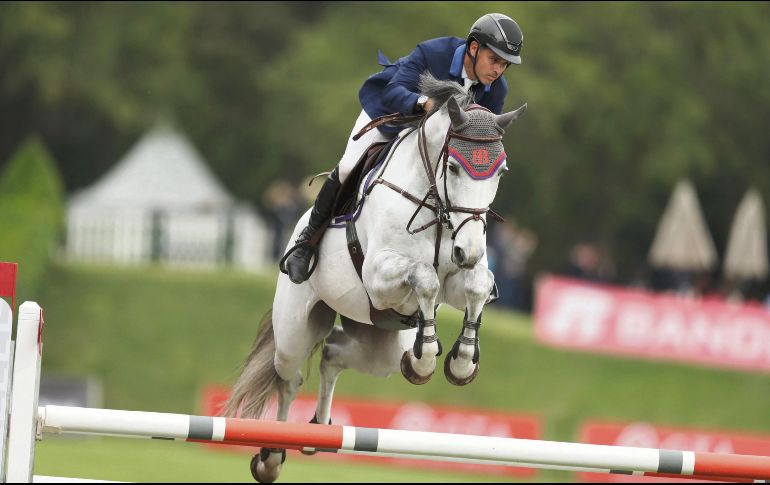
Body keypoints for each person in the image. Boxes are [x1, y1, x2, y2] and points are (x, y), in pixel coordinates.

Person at [283, 13, 525, 284]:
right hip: (392, 116)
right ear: (473, 48)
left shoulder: (496, 90)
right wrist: (425, 104)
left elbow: (478, 139)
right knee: (349, 165)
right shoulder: (433, 53)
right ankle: (306, 243)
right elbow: (392, 91)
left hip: (436, 142)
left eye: (504, 65)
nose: (497, 70)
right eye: (494, 60)